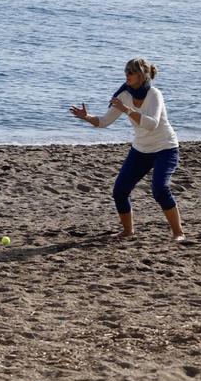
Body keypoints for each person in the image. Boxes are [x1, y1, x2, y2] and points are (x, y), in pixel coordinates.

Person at [69, 57, 185, 242]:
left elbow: (152, 124)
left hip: (165, 147)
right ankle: (128, 230)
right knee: (120, 191)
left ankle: (178, 233)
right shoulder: (124, 95)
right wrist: (87, 117)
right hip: (141, 149)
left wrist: (127, 109)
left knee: (160, 189)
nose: (127, 75)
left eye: (131, 72)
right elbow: (104, 122)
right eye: (126, 72)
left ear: (141, 75)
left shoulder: (154, 94)